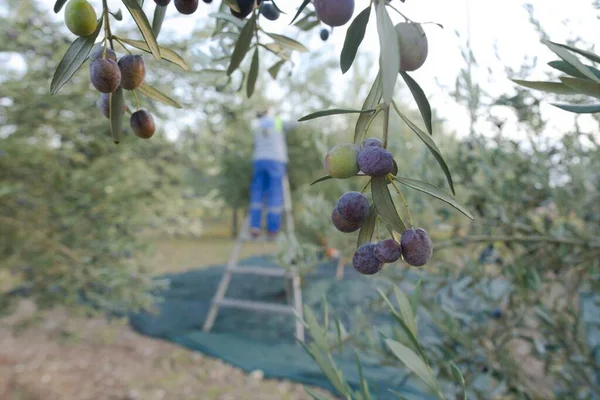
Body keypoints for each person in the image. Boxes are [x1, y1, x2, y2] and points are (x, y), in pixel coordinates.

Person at [248, 106, 298, 239]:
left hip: (259, 160)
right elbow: (295, 123)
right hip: (275, 160)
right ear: (269, 112)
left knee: (257, 193)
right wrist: (289, 111)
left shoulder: (257, 123)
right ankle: (272, 229)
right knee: (275, 193)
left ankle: (255, 227)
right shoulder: (276, 121)